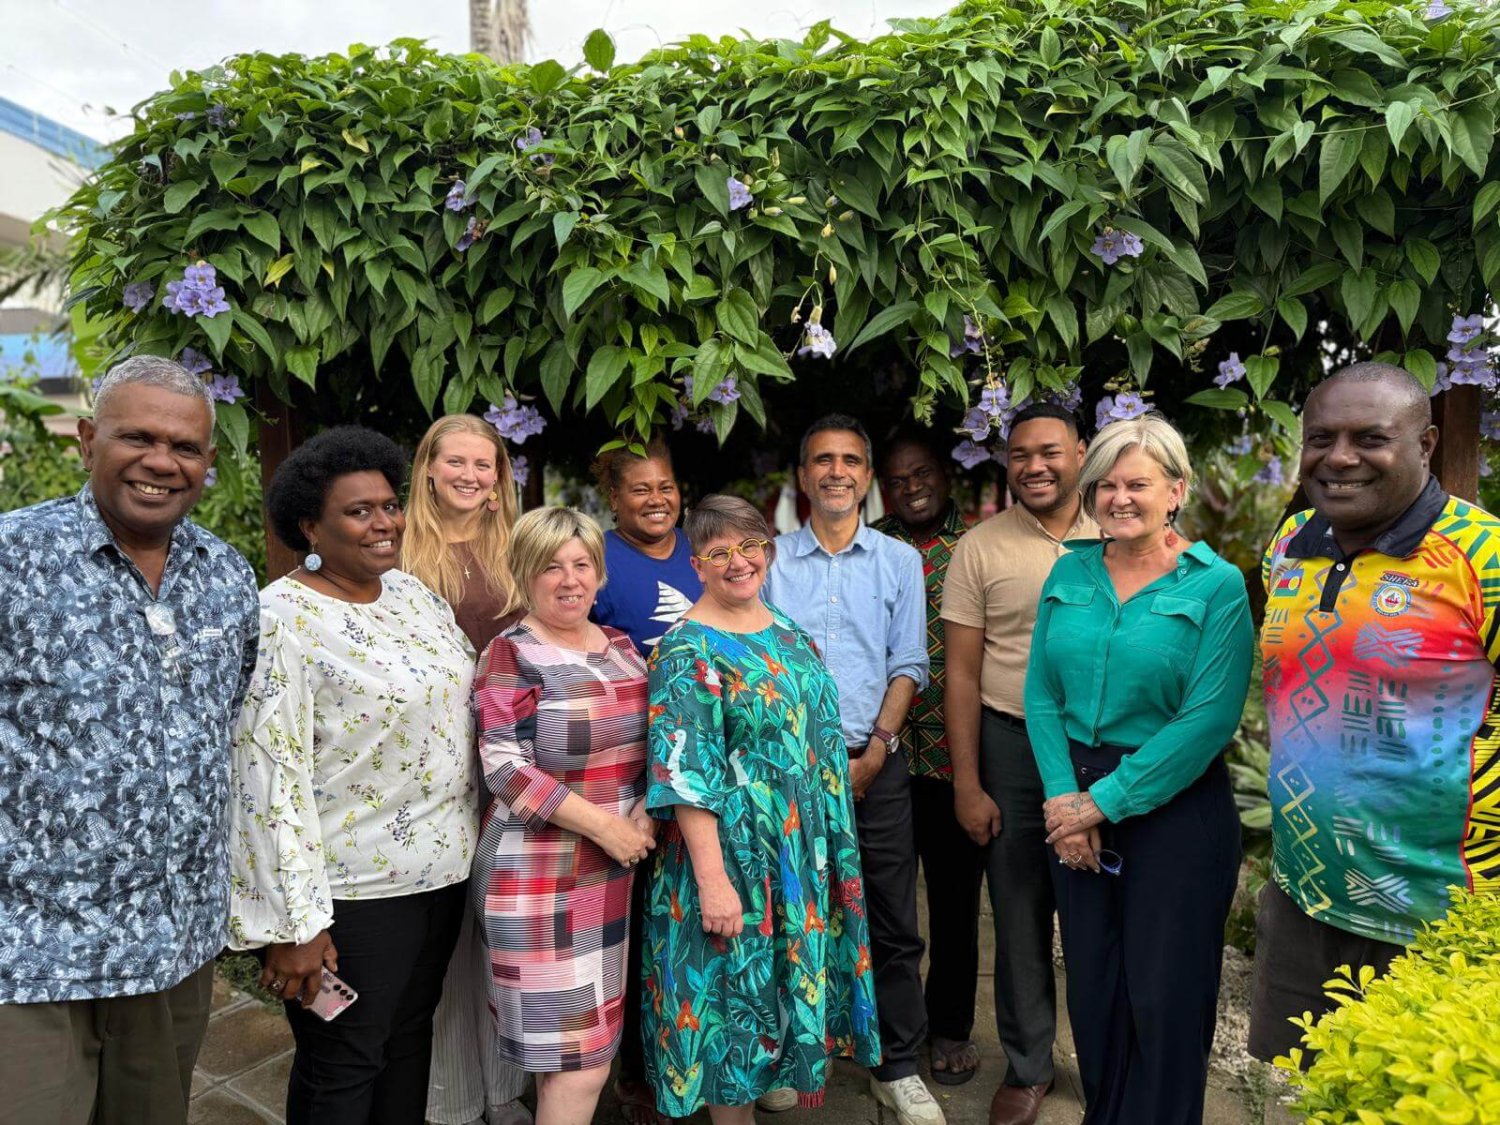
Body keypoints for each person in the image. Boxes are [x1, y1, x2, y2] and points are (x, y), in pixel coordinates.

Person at [0, 357, 258, 1125]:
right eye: (136, 436)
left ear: (207, 463)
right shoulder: (13, 558)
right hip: (31, 949)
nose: (160, 461)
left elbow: (228, 724)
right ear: (87, 440)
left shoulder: (227, 575)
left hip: (171, 950)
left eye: (184, 447)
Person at [1249, 363, 1500, 1062]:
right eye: (1321, 436)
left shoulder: (1484, 557)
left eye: (1370, 437)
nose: (1339, 456)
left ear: (1425, 443)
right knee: (1305, 1088)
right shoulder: (1289, 545)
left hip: (1438, 913)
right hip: (1304, 898)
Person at [229, 426, 478, 1125]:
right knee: (343, 1062)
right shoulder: (282, 618)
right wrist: (295, 922)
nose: (384, 521)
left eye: (389, 504)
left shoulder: (411, 595)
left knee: (406, 1045)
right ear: (311, 524)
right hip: (350, 900)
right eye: (358, 510)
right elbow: (266, 775)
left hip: (439, 878)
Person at [1025, 412, 1253, 1125]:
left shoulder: (1217, 586)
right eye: (1105, 485)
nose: (1118, 498)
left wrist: (1101, 805)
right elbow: (1041, 692)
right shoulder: (1070, 570)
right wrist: (1066, 802)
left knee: (1165, 995)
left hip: (1175, 809)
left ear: (1176, 490)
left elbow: (1207, 720)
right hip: (1075, 804)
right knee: (1094, 989)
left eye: (1138, 484)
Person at [640, 494, 881, 1122]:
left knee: (769, 1015)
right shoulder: (687, 651)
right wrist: (715, 882)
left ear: (767, 552)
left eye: (750, 546)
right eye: (718, 552)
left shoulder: (784, 629)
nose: (737, 562)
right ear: (696, 564)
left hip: (797, 856)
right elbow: (687, 778)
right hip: (734, 859)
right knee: (733, 1022)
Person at [762, 414, 940, 1125]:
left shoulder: (899, 562)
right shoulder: (770, 559)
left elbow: (909, 662)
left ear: (867, 477)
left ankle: (897, 1067)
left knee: (895, 918)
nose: (837, 471)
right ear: (803, 476)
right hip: (790, 768)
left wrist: (878, 749)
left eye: (851, 461)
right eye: (822, 460)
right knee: (791, 913)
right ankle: (787, 1057)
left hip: (876, 760)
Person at [471, 507, 655, 1125]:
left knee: (586, 1051)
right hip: (536, 879)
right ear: (525, 573)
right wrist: (608, 827)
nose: (569, 579)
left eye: (581, 565)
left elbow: (651, 753)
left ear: (599, 575)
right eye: (551, 566)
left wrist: (644, 819)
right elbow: (505, 768)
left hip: (609, 880)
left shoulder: (624, 650)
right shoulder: (509, 653)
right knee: (580, 1064)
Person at [940, 402, 1094, 1125]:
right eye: (1021, 454)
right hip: (1011, 743)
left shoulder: (1123, 525)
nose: (1035, 465)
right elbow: (962, 675)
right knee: (1020, 907)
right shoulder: (980, 547)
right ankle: (1029, 1063)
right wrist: (968, 782)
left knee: (1102, 908)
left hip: (1103, 749)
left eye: (1050, 451)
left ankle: (1103, 1057)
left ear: (1081, 452)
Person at [404, 415, 531, 1125]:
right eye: (457, 461)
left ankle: (505, 1088)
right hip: (439, 766)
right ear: (428, 468)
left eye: (485, 465)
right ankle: (452, 1095)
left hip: (513, 758)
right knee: (450, 934)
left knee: (505, 928)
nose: (471, 475)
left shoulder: (516, 547)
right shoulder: (400, 552)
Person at [587, 439, 702, 1125]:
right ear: (614, 497)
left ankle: (697, 1052)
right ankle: (637, 1074)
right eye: (639, 488)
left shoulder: (702, 548)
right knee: (635, 921)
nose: (656, 498)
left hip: (707, 761)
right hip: (630, 763)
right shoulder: (600, 559)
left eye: (665, 484)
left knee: (694, 913)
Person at [871, 433, 983, 1088]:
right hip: (878, 752)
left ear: (946, 476)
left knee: (954, 901)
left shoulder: (976, 547)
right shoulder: (869, 548)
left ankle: (949, 1026)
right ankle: (887, 1028)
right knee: (883, 904)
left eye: (922, 472)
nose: (910, 484)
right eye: (896, 476)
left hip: (950, 753)